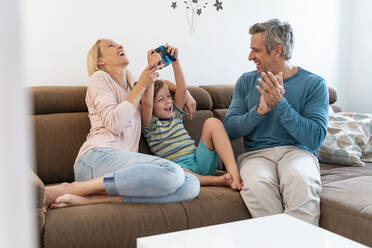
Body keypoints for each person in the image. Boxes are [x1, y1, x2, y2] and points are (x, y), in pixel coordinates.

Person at [44, 39, 200, 209]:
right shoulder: (100, 78)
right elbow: (114, 123)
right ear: (100, 61)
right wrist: (141, 84)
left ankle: (93, 199)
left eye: (119, 44)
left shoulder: (133, 87)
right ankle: (74, 188)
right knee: (174, 172)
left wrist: (183, 91)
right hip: (95, 158)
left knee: (191, 184)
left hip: (126, 172)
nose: (120, 46)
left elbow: (154, 87)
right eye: (111, 46)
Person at [223, 19, 329, 225]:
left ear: (277, 50)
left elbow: (315, 138)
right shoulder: (246, 82)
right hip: (256, 155)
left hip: (298, 152)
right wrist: (260, 111)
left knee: (301, 179)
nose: (250, 57)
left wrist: (280, 104)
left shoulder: (314, 84)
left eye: (256, 50)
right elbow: (228, 129)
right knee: (256, 185)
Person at [141, 44, 243, 190]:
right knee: (173, 171)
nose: (168, 101)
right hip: (180, 169)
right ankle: (214, 181)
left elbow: (182, 89)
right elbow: (146, 102)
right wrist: (152, 67)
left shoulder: (175, 114)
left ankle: (234, 174)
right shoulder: (150, 125)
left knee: (212, 122)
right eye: (160, 100)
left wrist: (175, 61)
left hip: (199, 160)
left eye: (169, 96)